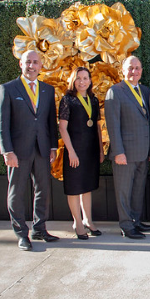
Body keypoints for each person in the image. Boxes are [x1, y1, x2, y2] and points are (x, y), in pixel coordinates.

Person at [0, 50, 59, 251]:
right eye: (28, 62)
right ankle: (21, 233)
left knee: (43, 190)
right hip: (18, 152)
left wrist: (53, 146)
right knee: (17, 191)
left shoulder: (48, 90)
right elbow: (1, 124)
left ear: (41, 66)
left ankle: (39, 228)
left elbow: (49, 120)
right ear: (20, 65)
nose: (31, 66)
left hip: (42, 149)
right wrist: (7, 151)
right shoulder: (8, 89)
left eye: (35, 62)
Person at [105, 56, 150, 239]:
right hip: (124, 153)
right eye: (130, 68)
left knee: (137, 190)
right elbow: (113, 125)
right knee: (124, 191)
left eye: (137, 68)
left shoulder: (145, 91)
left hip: (143, 153)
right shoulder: (115, 92)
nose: (134, 71)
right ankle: (126, 226)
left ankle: (136, 221)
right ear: (123, 70)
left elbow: (147, 122)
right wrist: (118, 152)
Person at [58, 67, 105, 240]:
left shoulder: (93, 100)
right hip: (74, 151)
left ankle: (88, 220)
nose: (82, 81)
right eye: (78, 78)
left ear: (90, 80)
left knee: (87, 187)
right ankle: (77, 222)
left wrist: (100, 150)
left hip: (90, 151)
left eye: (85, 78)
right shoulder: (67, 100)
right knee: (74, 188)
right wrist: (71, 152)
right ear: (73, 80)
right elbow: (62, 128)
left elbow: (98, 128)